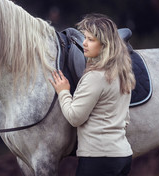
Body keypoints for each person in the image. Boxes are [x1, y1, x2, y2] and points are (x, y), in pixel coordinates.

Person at [49, 14, 135, 176]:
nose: (84, 43)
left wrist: (63, 92)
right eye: (85, 38)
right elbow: (126, 118)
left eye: (91, 40)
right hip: (122, 156)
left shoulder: (95, 77)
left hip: (98, 159)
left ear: (105, 45)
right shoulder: (122, 73)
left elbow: (75, 117)